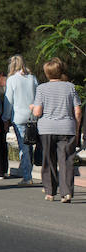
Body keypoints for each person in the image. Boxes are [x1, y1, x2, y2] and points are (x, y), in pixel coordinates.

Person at [31, 58, 82, 203]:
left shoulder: (41, 88)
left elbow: (37, 112)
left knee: (49, 160)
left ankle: (50, 191)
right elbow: (77, 111)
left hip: (47, 128)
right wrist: (77, 129)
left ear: (47, 73)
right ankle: (66, 193)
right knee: (66, 161)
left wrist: (32, 107)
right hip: (67, 128)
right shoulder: (70, 87)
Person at [5, 55, 39, 185]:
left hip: (19, 117)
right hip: (32, 116)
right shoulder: (32, 78)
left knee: (23, 148)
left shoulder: (12, 80)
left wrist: (5, 117)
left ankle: (27, 176)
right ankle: (28, 171)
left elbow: (9, 101)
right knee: (29, 146)